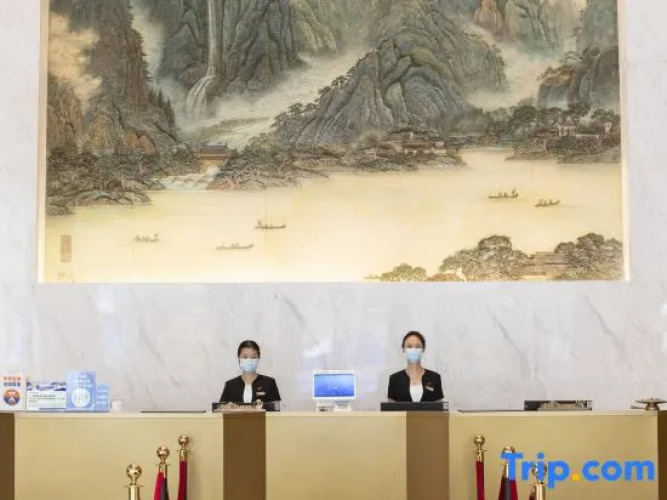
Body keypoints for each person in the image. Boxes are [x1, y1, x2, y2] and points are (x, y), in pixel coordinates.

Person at [387, 331, 444, 402]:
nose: (413, 350)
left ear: (423, 349)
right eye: (409, 346)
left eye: (417, 347)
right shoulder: (394, 379)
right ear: (403, 349)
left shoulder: (434, 378)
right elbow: (390, 407)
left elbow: (439, 407)